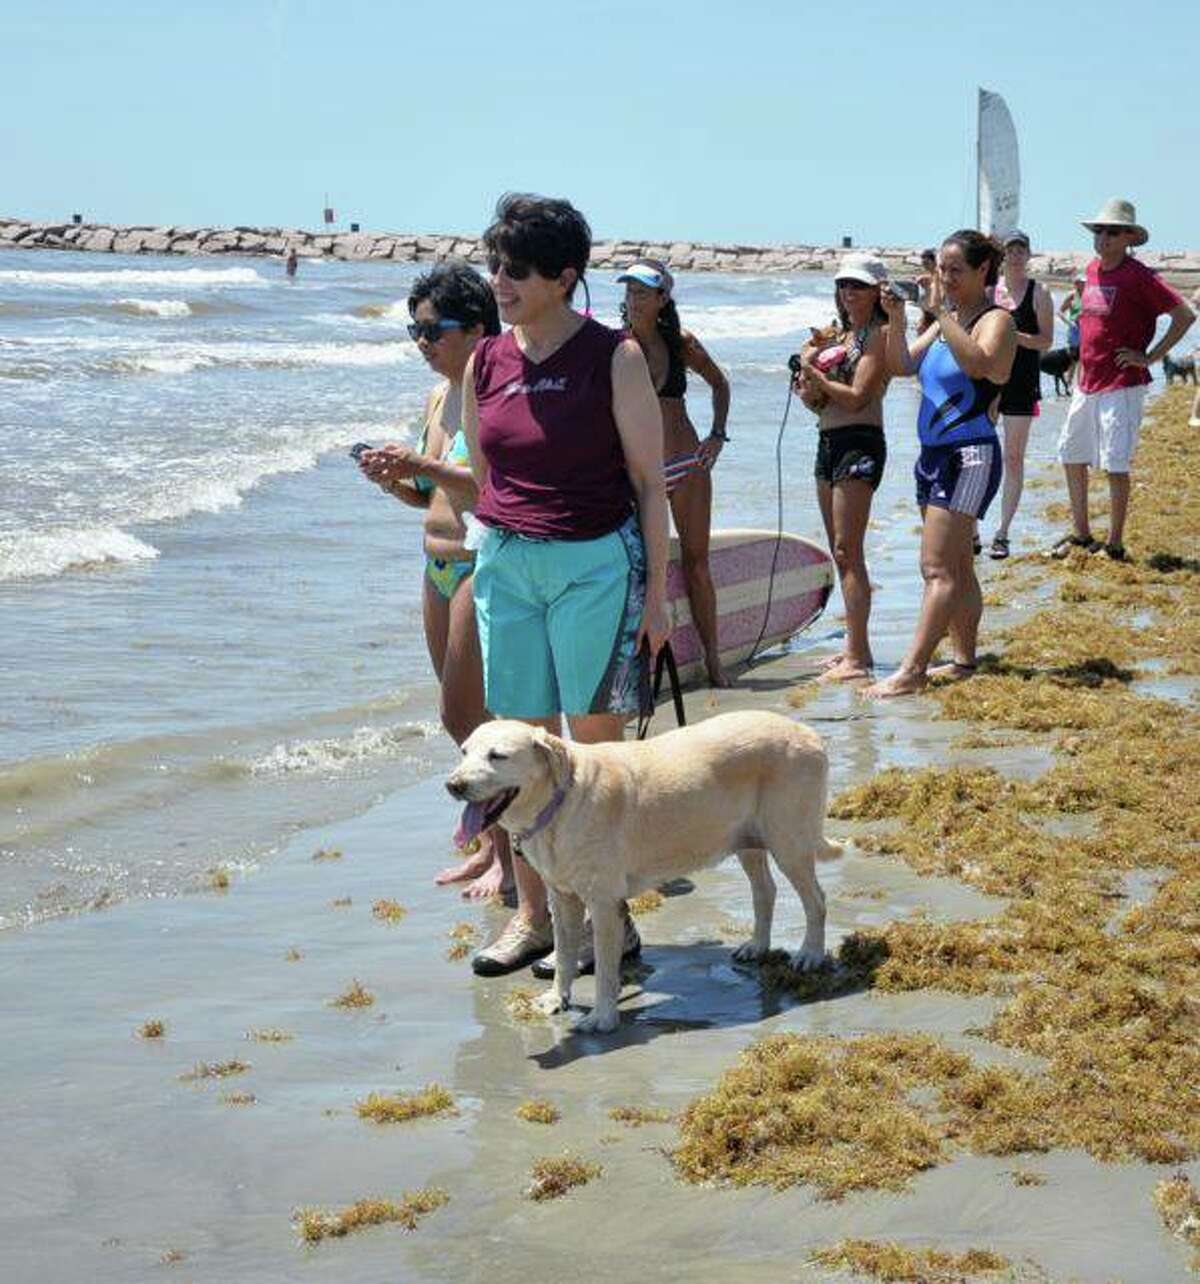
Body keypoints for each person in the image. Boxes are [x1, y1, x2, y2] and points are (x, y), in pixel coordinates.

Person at [461, 193, 670, 976]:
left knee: (591, 756)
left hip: (594, 567)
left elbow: (651, 485)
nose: (499, 281)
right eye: (495, 266)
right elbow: (485, 473)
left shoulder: (612, 356)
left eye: (515, 269)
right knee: (513, 753)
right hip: (508, 564)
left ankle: (610, 925)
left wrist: (656, 599)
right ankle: (536, 919)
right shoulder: (486, 357)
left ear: (565, 277)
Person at [356, 260, 513, 900]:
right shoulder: (437, 398)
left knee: (472, 718)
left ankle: (510, 856)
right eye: (413, 332)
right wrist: (395, 479)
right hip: (435, 565)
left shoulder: (494, 390)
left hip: (481, 561)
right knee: (464, 726)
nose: (421, 343)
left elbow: (491, 492)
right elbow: (430, 497)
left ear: (476, 327)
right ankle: (488, 845)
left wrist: (419, 463)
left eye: (432, 330)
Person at [864, 230, 1016, 699]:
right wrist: (894, 319)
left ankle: (912, 670)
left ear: (982, 271)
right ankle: (964, 661)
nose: (945, 279)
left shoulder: (996, 320)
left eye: (955, 271)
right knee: (957, 567)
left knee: (936, 568)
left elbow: (980, 365)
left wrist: (940, 314)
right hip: (933, 457)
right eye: (940, 271)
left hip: (970, 455)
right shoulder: (945, 319)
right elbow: (902, 366)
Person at [1053, 199, 1194, 561]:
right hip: (1087, 382)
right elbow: (1091, 320)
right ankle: (1082, 534)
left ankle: (1114, 543)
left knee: (1115, 462)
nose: (1103, 238)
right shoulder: (1092, 270)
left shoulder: (1139, 276)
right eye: (1099, 231)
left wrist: (1150, 356)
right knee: (1071, 453)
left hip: (1123, 383)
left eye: (1112, 232)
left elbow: (1184, 315)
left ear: (1128, 237)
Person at [618, 259, 733, 687]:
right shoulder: (616, 345)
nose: (633, 300)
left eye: (642, 293)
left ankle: (713, 661)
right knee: (640, 568)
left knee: (696, 564)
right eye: (629, 292)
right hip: (635, 473)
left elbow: (720, 384)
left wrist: (717, 434)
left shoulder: (681, 342)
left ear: (663, 298)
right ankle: (639, 669)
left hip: (686, 464)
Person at [794, 253, 891, 680]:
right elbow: (820, 402)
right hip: (828, 440)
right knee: (840, 549)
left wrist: (817, 378)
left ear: (877, 291)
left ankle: (860, 656)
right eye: (843, 285)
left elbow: (857, 397)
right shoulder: (842, 336)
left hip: (860, 441)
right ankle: (853, 647)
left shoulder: (879, 336)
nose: (848, 292)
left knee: (848, 550)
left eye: (858, 285)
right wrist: (807, 386)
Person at [987, 230, 1054, 559]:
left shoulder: (1039, 292)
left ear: (1029, 255)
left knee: (1013, 458)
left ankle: (1002, 533)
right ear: (1002, 255)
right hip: (988, 384)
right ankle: (970, 529)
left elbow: (1046, 341)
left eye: (1020, 250)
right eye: (1010, 250)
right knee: (980, 455)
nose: (1015, 256)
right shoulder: (990, 291)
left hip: (1023, 383)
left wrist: (1016, 337)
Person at [1059, 270, 1086, 386]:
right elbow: (1060, 312)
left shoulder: (1089, 295)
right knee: (1073, 359)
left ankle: (1081, 384)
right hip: (1075, 330)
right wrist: (1069, 323)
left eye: (1085, 282)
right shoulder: (1071, 296)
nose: (1084, 284)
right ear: (1076, 283)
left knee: (1085, 358)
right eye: (1081, 282)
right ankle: (1068, 384)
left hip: (1087, 330)